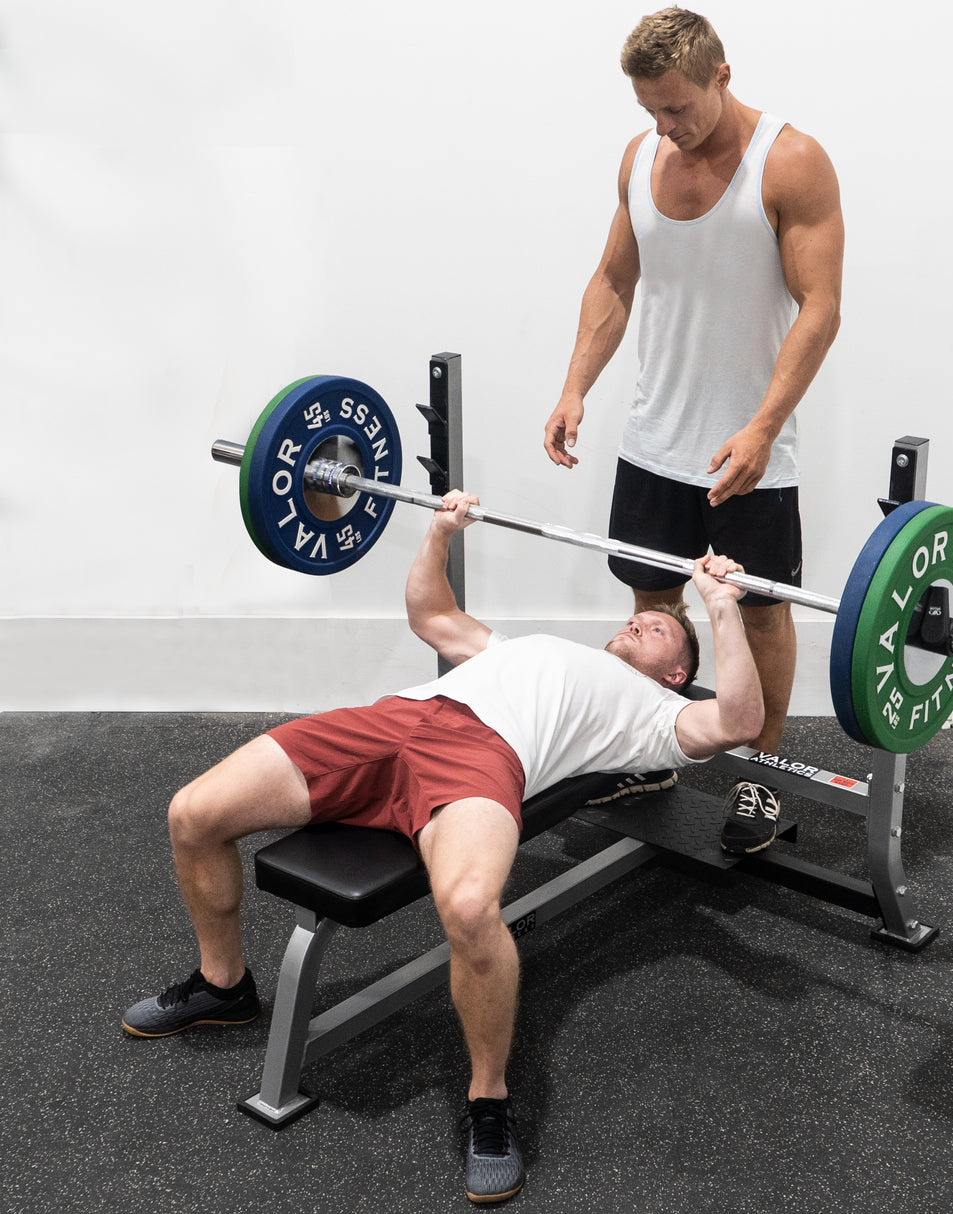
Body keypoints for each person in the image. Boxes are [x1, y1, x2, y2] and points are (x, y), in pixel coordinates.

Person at [122, 489, 764, 1206]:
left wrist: (720, 605)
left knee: (468, 908)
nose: (639, 619)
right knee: (193, 814)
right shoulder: (526, 649)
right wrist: (439, 532)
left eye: (658, 629)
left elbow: (739, 721)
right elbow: (431, 616)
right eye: (640, 616)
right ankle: (223, 986)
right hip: (397, 720)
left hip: (483, 761)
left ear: (677, 673)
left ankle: (488, 1100)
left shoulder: (657, 712)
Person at [543, 7, 844, 854]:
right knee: (652, 601)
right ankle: (653, 752)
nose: (664, 127)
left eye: (676, 107)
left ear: (722, 75)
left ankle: (761, 772)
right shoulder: (640, 159)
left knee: (759, 614)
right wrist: (574, 387)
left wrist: (763, 428)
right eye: (650, 110)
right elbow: (613, 280)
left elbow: (821, 308)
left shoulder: (790, 161)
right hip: (654, 440)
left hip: (749, 450)